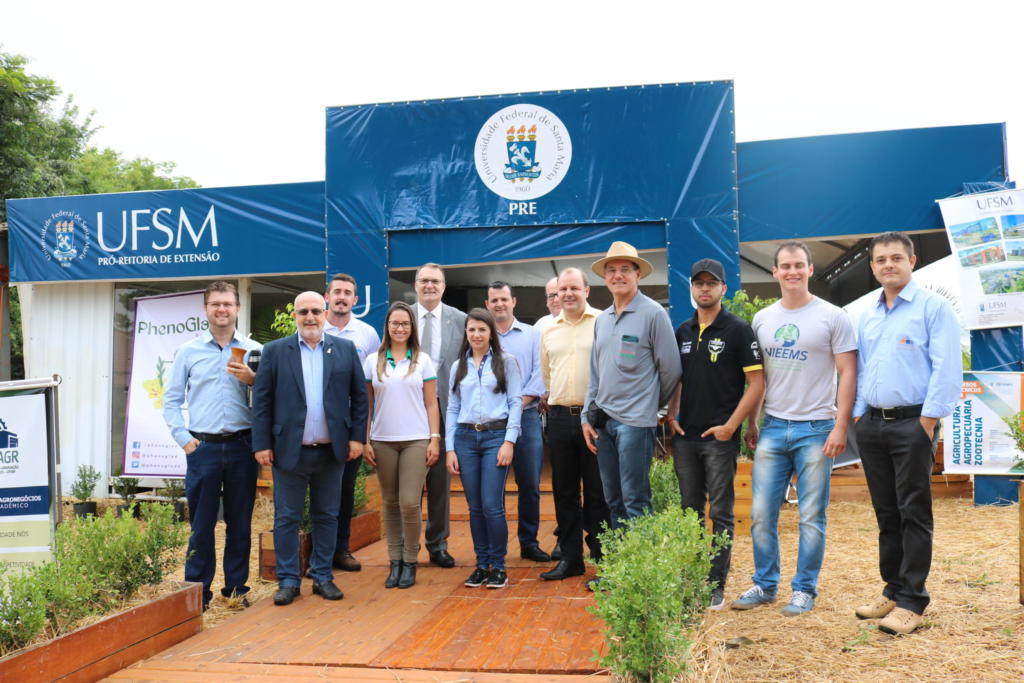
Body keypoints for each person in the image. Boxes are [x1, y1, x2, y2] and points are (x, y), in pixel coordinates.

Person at [733, 241, 857, 616]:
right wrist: (753, 422)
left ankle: (804, 589)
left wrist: (840, 426)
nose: (792, 271)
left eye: (799, 265)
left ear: (810, 269)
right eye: (785, 266)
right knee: (760, 514)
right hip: (773, 426)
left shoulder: (833, 316)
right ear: (775, 272)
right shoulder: (762, 319)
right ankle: (765, 584)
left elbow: (847, 372)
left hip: (816, 428)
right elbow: (759, 378)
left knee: (811, 517)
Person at [852, 232, 961, 635]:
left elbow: (947, 367)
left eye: (896, 258)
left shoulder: (932, 308)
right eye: (881, 259)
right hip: (873, 425)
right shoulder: (868, 313)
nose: (888, 265)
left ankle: (913, 600)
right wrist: (860, 416)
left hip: (913, 424)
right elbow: (862, 368)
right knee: (887, 512)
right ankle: (893, 589)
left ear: (912, 261)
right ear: (872, 267)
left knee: (913, 512)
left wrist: (927, 422)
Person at [252, 291, 368, 606]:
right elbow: (261, 401)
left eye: (316, 311)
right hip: (289, 450)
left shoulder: (344, 349)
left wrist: (357, 438)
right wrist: (261, 444)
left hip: (332, 451)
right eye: (303, 312)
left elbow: (359, 397)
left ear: (326, 313)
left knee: (327, 515)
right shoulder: (275, 351)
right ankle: (288, 581)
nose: (310, 317)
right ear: (295, 316)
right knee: (286, 518)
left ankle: (322, 576)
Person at [666, 259, 764, 610]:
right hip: (685, 438)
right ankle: (693, 578)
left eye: (711, 283)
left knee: (720, 514)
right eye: (699, 283)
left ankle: (714, 586)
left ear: (723, 288)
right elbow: (678, 379)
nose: (704, 288)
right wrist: (671, 413)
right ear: (692, 288)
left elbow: (757, 383)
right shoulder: (683, 330)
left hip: (719, 439)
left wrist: (732, 426)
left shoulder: (738, 329)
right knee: (689, 511)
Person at [163, 281, 261, 611]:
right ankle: (198, 593)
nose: (222, 309)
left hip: (243, 445)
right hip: (203, 448)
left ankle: (235, 589)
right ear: (205, 309)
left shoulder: (254, 350)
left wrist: (253, 379)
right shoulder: (188, 351)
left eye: (227, 304)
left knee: (240, 524)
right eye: (216, 304)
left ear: (237, 309)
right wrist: (184, 439)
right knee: (201, 525)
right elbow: (171, 400)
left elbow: (268, 397)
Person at [582, 241, 681, 528]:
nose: (618, 275)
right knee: (613, 500)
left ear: (638, 274)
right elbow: (595, 373)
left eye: (625, 269)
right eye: (611, 270)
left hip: (636, 423)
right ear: (605, 278)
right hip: (603, 423)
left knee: (635, 501)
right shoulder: (602, 319)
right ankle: (619, 557)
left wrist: (650, 405)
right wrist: (587, 416)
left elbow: (671, 370)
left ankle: (639, 558)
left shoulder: (653, 314)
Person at [539, 267, 610, 581]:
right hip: (558, 418)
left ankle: (603, 560)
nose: (567, 294)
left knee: (598, 493)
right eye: (562, 290)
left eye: (573, 288)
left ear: (587, 291)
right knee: (564, 492)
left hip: (594, 419)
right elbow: (547, 375)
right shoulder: (548, 330)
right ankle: (571, 559)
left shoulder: (603, 323)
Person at [362, 302, 440, 589]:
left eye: (405, 323)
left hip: (416, 439)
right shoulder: (372, 361)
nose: (399, 328)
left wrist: (435, 438)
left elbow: (431, 403)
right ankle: (394, 561)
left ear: (412, 327)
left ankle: (410, 561)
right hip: (382, 440)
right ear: (387, 327)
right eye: (395, 323)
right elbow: (367, 405)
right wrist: (365, 439)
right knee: (390, 502)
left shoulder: (423, 360)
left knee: (409, 502)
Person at [446, 308, 523, 589]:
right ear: (466, 333)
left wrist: (509, 441)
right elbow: (453, 407)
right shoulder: (458, 366)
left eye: (482, 329)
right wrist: (450, 448)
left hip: (495, 437)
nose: (476, 334)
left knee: (492, 505)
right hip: (465, 439)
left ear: (491, 332)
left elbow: (515, 402)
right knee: (475, 507)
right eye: (472, 330)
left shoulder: (506, 362)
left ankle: (498, 566)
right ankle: (482, 565)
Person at [485, 281, 551, 562]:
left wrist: (516, 404)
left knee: (530, 484)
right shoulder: (482, 335)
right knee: (494, 486)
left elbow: (540, 373)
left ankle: (529, 542)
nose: (499, 304)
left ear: (514, 301)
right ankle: (495, 545)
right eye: (494, 300)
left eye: (504, 299)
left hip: (527, 417)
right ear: (487, 305)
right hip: (493, 422)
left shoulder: (533, 334)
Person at [323, 273, 382, 573]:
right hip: (316, 422)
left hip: (349, 422)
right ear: (327, 297)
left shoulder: (367, 334)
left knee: (345, 489)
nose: (342, 297)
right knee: (319, 490)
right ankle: (320, 553)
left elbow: (371, 387)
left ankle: (341, 549)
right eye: (337, 292)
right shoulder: (314, 326)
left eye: (347, 293)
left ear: (355, 300)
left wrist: (365, 433)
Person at [413, 263, 467, 568]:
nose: (429, 285)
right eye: (424, 280)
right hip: (408, 412)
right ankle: (407, 547)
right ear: (416, 284)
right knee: (408, 486)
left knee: (439, 484)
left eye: (435, 281)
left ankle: (438, 544)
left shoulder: (460, 319)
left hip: (445, 411)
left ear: (444, 286)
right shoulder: (402, 316)